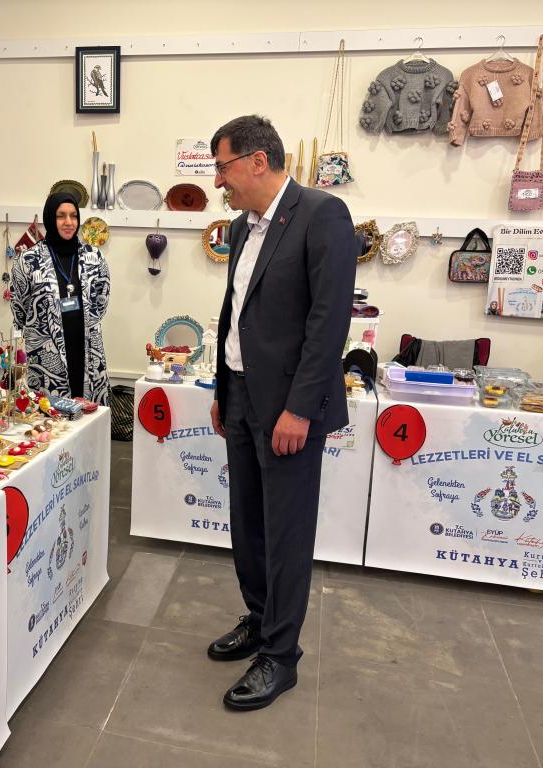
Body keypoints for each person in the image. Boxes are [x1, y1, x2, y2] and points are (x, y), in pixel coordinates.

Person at [207, 115, 356, 710]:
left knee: (286, 531)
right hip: (241, 396)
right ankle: (260, 617)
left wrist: (300, 409)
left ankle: (281, 655)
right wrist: (223, 389)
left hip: (289, 407)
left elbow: (328, 323)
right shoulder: (242, 227)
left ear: (257, 161)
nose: (219, 181)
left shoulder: (323, 215)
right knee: (247, 521)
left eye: (223, 167)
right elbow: (237, 314)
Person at [10, 193, 111, 404]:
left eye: (73, 216)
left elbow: (102, 299)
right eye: (61, 216)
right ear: (49, 218)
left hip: (87, 348)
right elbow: (20, 308)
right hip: (46, 353)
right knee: (52, 417)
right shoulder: (28, 260)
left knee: (89, 414)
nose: (69, 222)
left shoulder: (94, 257)